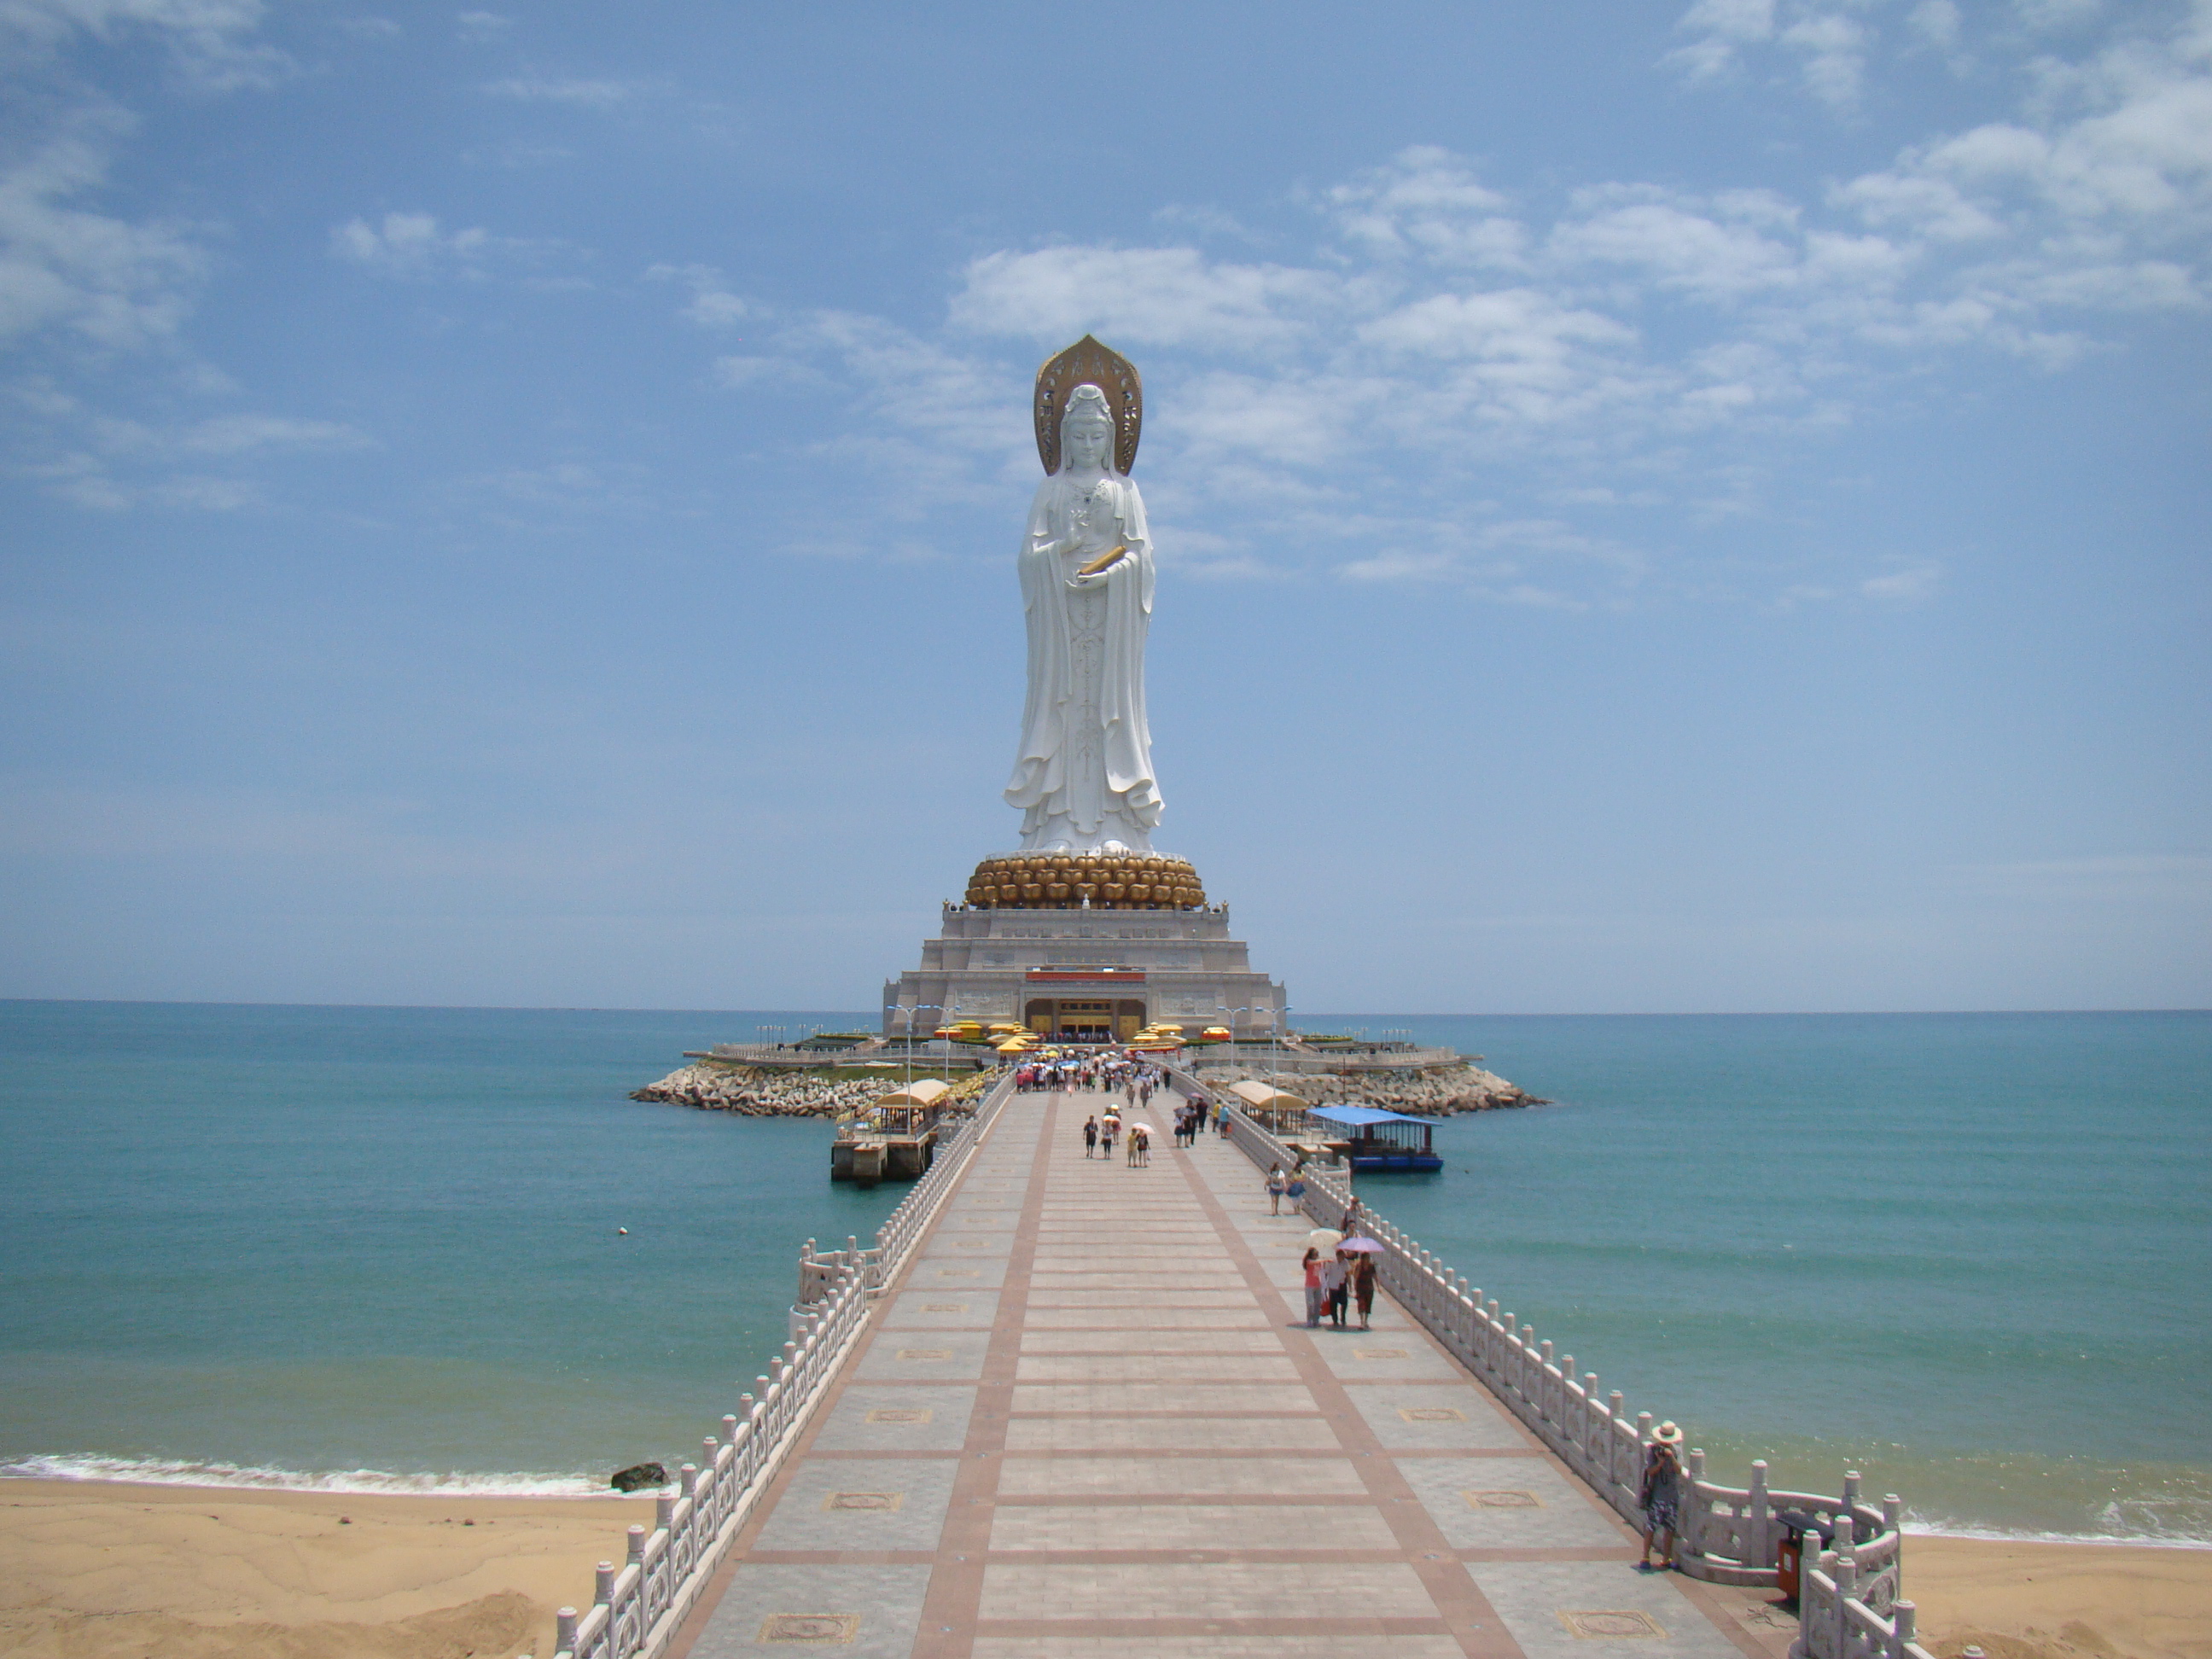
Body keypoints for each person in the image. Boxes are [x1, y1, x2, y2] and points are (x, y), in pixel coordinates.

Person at [1639, 1423, 1685, 1569]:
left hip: (1672, 1495)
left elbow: (1679, 1470)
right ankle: (1645, 1556)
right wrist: (1660, 1463)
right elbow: (1650, 1471)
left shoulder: (1677, 1450)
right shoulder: (1653, 1450)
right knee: (1651, 1526)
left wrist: (1671, 1458)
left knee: (1670, 1527)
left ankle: (1667, 1558)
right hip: (1657, 1495)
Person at [1348, 1250, 1377, 1330]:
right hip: (1360, 1288)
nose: (1368, 1260)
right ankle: (1362, 1322)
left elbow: (1374, 1276)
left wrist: (1378, 1286)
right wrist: (1354, 1286)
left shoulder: (1371, 1266)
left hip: (1369, 1288)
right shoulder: (1359, 1266)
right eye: (1366, 1258)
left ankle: (1366, 1321)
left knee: (1368, 1305)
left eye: (1368, 1258)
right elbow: (1355, 1276)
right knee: (1361, 1304)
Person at [1323, 1249, 1349, 1328]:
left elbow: (1347, 1273)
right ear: (1338, 1256)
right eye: (1342, 1256)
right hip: (1333, 1285)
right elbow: (1326, 1273)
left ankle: (1343, 1318)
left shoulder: (1345, 1263)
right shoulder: (1331, 1262)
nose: (1343, 1257)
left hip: (1342, 1284)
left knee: (1344, 1303)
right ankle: (1335, 1320)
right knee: (1333, 1304)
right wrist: (1324, 1285)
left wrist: (1349, 1285)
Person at [1301, 1247, 1324, 1328]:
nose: (1316, 1256)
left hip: (1318, 1285)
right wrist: (1323, 1260)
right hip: (1309, 1286)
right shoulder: (1308, 1262)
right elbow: (1312, 1262)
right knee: (1310, 1304)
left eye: (1317, 1254)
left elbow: (1321, 1272)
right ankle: (1309, 1320)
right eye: (1315, 1255)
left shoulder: (1318, 1263)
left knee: (1318, 1304)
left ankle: (1316, 1320)